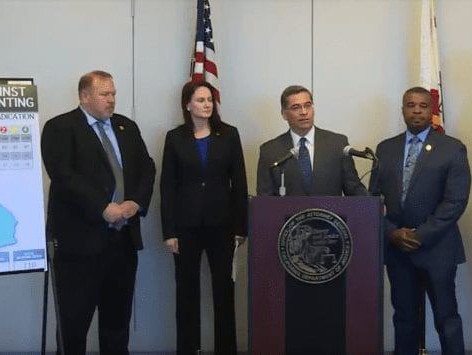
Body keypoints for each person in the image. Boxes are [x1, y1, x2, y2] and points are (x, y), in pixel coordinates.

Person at [41, 70, 156, 354]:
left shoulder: (126, 127)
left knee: (117, 324)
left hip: (122, 243)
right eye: (104, 94)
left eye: (113, 93)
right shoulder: (60, 127)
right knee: (73, 326)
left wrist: (136, 203)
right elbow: (63, 175)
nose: (111, 100)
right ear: (84, 96)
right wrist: (101, 208)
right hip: (78, 247)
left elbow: (147, 167)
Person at [369, 87, 470, 355]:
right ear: (402, 109)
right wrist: (391, 232)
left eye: (423, 106)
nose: (416, 110)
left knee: (446, 318)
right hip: (397, 250)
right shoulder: (385, 148)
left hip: (437, 248)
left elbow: (455, 202)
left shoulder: (452, 148)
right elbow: (374, 200)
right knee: (404, 320)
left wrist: (420, 235)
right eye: (410, 105)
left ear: (431, 110)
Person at [160, 80, 247, 355]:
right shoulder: (174, 138)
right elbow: (167, 187)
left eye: (209, 99)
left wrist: (240, 226)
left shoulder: (229, 135)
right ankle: (188, 348)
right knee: (186, 292)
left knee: (224, 291)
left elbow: (240, 183)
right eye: (200, 100)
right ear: (187, 105)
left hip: (222, 225)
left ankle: (226, 349)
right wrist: (169, 231)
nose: (207, 104)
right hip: (185, 228)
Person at [256, 85, 367, 197]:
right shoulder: (269, 151)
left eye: (307, 106)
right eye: (296, 107)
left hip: (329, 213)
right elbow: (264, 198)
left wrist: (372, 205)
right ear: (284, 114)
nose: (304, 112)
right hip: (289, 214)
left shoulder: (337, 144)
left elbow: (353, 188)